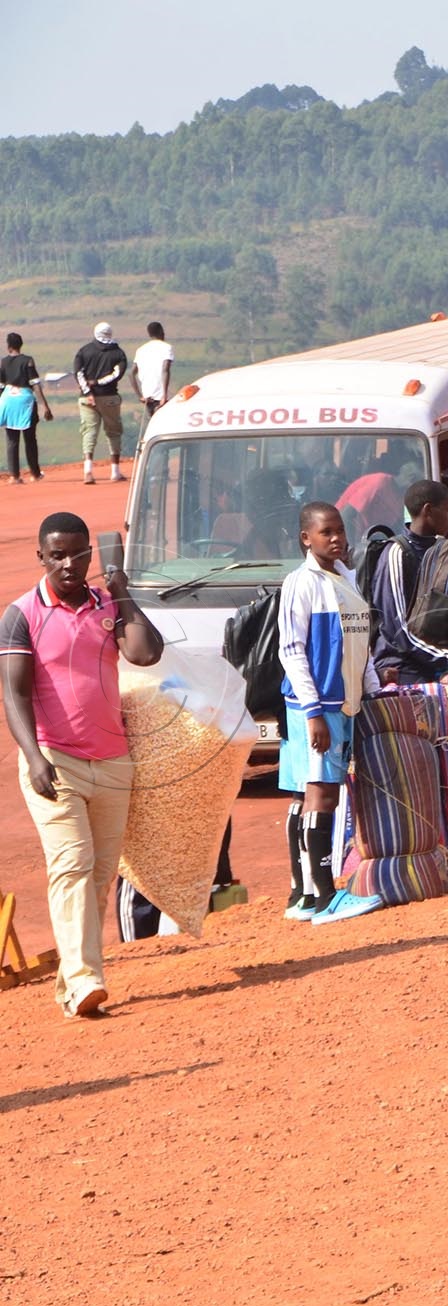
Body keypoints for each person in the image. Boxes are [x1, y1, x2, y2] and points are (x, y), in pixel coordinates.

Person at [2, 513, 162, 1016]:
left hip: (114, 762)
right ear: (42, 558)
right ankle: (85, 980)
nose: (69, 564)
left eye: (78, 553)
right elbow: (14, 692)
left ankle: (72, 980)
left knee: (98, 876)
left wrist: (122, 594)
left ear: (92, 553)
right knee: (71, 867)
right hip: (55, 759)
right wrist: (33, 757)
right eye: (57, 555)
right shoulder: (22, 614)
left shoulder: (107, 606)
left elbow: (144, 654)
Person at [277, 503, 382, 922]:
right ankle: (325, 898)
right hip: (317, 705)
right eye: (326, 533)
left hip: (344, 702)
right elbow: (291, 650)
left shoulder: (347, 579)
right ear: (307, 538)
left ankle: (303, 895)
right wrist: (313, 711)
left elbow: (361, 643)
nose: (336, 538)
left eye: (339, 531)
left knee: (311, 793)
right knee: (322, 793)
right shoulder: (301, 583)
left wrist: (372, 688)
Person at [366, 479, 448, 688]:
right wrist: (447, 660)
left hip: (434, 659)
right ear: (428, 510)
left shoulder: (441, 549)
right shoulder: (397, 553)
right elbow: (398, 628)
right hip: (403, 666)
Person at [72, 321, 129, 484]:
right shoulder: (118, 353)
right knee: (114, 432)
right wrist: (98, 383)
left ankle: (88, 471)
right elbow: (116, 374)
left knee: (89, 432)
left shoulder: (84, 351)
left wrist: (88, 391)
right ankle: (115, 472)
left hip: (86, 399)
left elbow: (78, 373)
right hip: (109, 397)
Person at [1, 332, 54, 483]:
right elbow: (35, 385)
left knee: (12, 439)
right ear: (20, 345)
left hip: (8, 400)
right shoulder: (28, 361)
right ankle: (35, 474)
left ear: (8, 346)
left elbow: (0, 386)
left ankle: (14, 476)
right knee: (30, 438)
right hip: (25, 402)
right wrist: (46, 407)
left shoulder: (3, 362)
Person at [133, 322, 174, 418]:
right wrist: (164, 395)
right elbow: (165, 369)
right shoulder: (166, 347)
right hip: (160, 397)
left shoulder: (141, 350)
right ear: (161, 332)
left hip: (147, 396)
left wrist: (140, 396)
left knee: (153, 422)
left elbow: (131, 374)